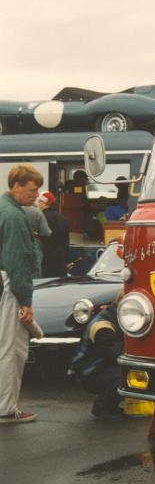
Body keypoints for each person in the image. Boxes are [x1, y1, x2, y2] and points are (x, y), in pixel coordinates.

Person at [0, 164, 43, 424]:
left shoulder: (4, 209)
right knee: (13, 350)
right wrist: (25, 301)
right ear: (16, 186)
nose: (36, 195)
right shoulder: (15, 217)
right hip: (11, 286)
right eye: (32, 190)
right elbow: (17, 261)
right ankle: (6, 408)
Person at [69, 292, 124, 421]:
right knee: (128, 375)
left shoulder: (112, 316)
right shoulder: (103, 327)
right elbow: (117, 355)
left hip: (96, 367)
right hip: (89, 372)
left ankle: (110, 404)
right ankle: (103, 408)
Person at [37, 191, 70, 278]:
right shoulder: (63, 219)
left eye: (40, 202)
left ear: (45, 203)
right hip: (61, 256)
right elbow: (66, 242)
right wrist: (67, 260)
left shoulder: (41, 218)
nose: (38, 204)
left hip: (46, 257)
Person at [22, 201, 52, 278]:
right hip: (34, 246)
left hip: (16, 246)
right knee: (35, 273)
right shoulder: (37, 212)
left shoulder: (13, 210)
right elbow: (46, 233)